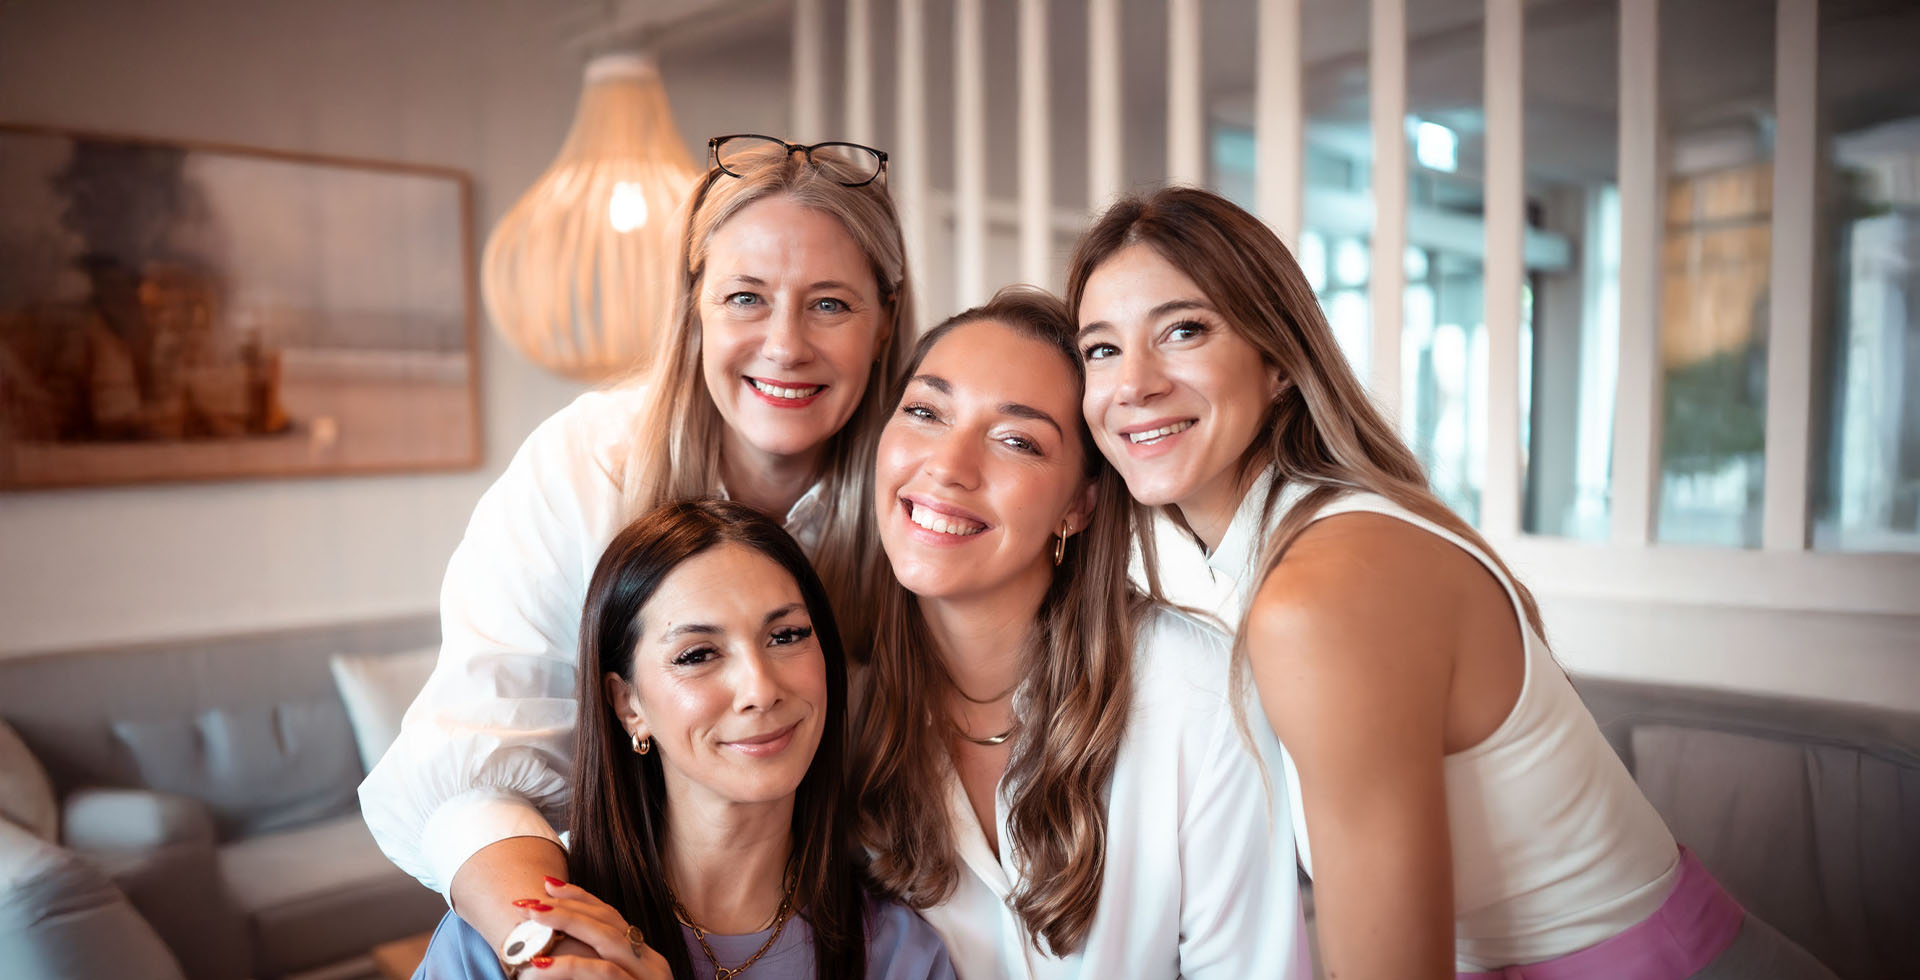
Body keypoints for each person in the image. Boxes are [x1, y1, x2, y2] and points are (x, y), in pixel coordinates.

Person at [1066, 186, 1837, 980]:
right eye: (1101, 349)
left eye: (1183, 331)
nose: (1134, 383)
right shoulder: (1260, 551)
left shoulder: (1324, 590)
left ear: (1279, 365)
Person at [361, 135, 914, 960]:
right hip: (614, 909)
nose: (787, 344)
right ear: (693, 305)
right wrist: (563, 954)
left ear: (884, 324)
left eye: (830, 303)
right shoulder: (586, 468)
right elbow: (475, 771)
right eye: (745, 298)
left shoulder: (923, 497)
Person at [852, 287, 1312, 979]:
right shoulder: (831, 700)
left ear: (1080, 503)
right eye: (924, 411)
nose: (948, 466)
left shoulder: (1198, 689)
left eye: (1017, 440)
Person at [414, 499, 955, 979]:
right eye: (698, 654)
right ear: (628, 704)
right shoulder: (519, 939)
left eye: (786, 636)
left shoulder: (899, 953)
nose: (760, 690)